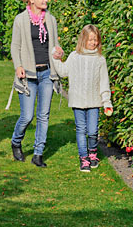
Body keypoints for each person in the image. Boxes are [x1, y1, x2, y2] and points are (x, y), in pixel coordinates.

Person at [8, 0, 63, 168]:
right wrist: (18, 66)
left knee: (44, 115)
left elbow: (54, 46)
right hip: (28, 74)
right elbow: (15, 46)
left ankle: (38, 153)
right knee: (27, 116)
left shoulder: (51, 20)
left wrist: (59, 52)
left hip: (47, 72)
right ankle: (16, 142)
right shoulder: (21, 20)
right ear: (31, 0)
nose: (45, 0)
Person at [52, 25, 113, 172]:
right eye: (90, 39)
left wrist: (106, 102)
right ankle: (84, 158)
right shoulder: (74, 56)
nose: (93, 43)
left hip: (94, 101)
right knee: (81, 129)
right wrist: (55, 58)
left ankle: (93, 152)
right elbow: (63, 71)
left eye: (95, 40)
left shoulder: (100, 59)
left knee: (92, 131)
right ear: (83, 39)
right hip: (77, 100)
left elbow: (104, 82)